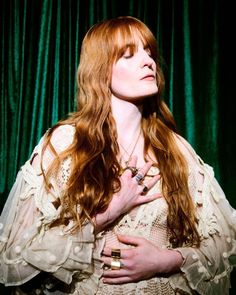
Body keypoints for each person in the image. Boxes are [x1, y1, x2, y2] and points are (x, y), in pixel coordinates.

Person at [0, 16, 235, 295]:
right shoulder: (65, 144)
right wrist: (108, 212)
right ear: (101, 70)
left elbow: (226, 239)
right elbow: (13, 258)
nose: (147, 61)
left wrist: (166, 260)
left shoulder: (176, 149)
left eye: (149, 52)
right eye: (128, 54)